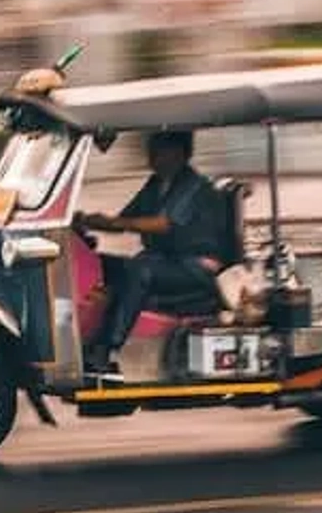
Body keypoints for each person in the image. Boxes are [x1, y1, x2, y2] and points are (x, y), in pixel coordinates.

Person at [76, 130, 227, 375]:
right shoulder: (155, 184)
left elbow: (162, 223)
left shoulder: (192, 185)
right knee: (103, 263)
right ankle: (85, 337)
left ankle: (107, 349)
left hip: (196, 267)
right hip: (165, 263)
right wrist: (85, 221)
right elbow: (125, 220)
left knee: (138, 271)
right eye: (152, 148)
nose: (152, 155)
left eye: (159, 149)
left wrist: (116, 223)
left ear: (179, 152)